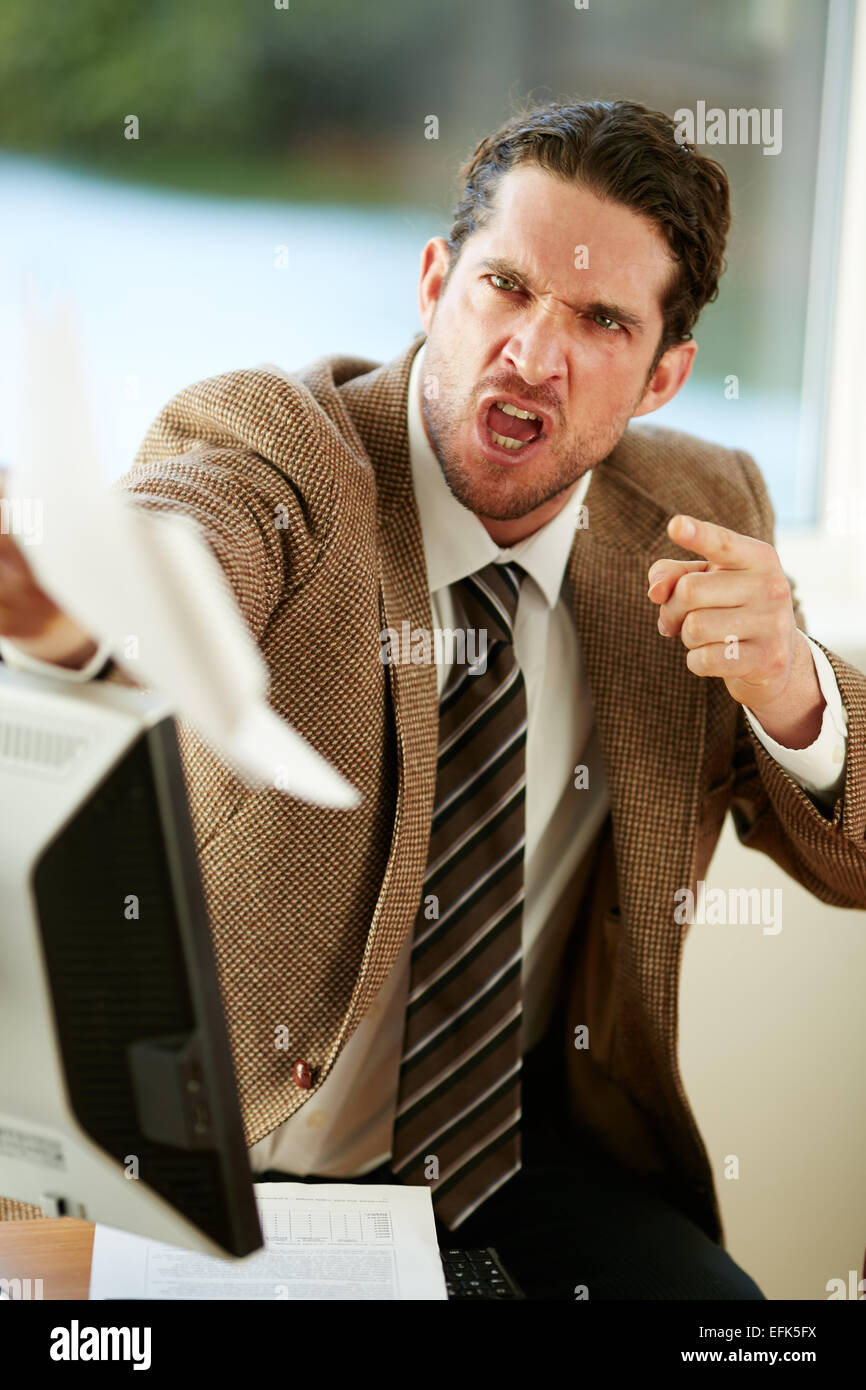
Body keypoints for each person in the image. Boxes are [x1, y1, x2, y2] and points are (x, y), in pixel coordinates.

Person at [1, 100, 863, 1299]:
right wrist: (81, 601)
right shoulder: (285, 446)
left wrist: (795, 693)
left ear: (662, 374)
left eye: (599, 320)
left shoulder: (694, 516)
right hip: (233, 1162)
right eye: (503, 287)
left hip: (524, 1161)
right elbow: (189, 534)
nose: (530, 353)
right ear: (431, 281)